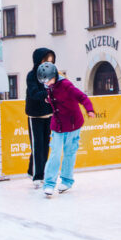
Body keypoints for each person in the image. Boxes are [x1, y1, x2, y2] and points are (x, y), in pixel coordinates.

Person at [38, 61, 96, 198]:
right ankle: (49, 184)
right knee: (55, 154)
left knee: (69, 152)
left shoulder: (66, 85)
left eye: (48, 81)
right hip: (58, 124)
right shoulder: (49, 85)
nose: (46, 84)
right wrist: (48, 99)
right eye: (44, 82)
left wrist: (89, 110)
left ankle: (67, 181)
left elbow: (82, 97)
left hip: (72, 124)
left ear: (54, 76)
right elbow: (55, 98)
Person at [24, 47, 55, 187]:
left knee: (45, 145)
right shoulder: (32, 75)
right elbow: (33, 93)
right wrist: (47, 93)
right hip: (35, 115)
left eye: (51, 60)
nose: (48, 63)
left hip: (49, 114)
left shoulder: (52, 74)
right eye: (46, 60)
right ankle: (37, 176)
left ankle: (35, 171)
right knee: (37, 146)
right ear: (39, 60)